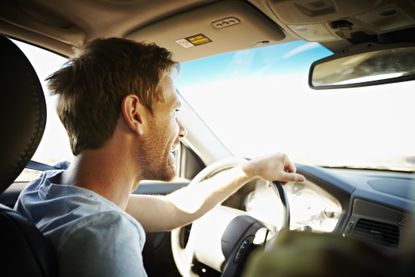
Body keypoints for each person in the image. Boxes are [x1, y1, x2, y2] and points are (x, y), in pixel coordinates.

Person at [14, 37, 305, 277]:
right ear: (135, 114)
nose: (181, 130)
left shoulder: (48, 191)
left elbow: (175, 208)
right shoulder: (104, 234)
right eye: (174, 111)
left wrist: (248, 170)